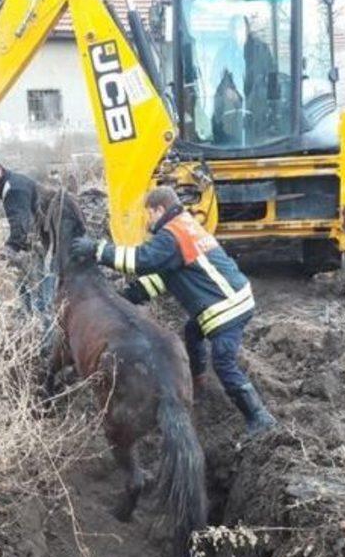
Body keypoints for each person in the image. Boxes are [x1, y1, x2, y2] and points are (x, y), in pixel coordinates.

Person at [70, 185, 277, 436]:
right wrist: (128, 297)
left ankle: (259, 418)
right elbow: (164, 276)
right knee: (192, 331)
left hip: (227, 308)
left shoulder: (171, 234)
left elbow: (143, 261)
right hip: (234, 298)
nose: (148, 221)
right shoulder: (184, 226)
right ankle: (199, 383)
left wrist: (98, 250)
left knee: (223, 362)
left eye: (149, 214)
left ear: (159, 209)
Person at [0, 155, 85, 347]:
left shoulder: (13, 189)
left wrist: (11, 247)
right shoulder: (14, 182)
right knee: (25, 287)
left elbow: (20, 227)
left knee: (43, 299)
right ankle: (34, 334)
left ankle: (48, 348)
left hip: (53, 243)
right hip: (50, 238)